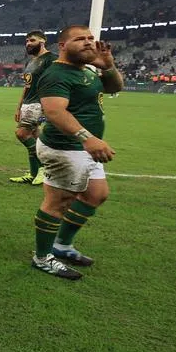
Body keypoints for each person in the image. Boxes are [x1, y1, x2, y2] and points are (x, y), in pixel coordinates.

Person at [30, 25, 123, 280]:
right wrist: (88, 138)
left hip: (84, 147)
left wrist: (108, 65)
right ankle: (42, 257)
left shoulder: (88, 69)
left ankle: (62, 245)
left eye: (91, 38)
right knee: (58, 202)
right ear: (62, 45)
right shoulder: (56, 74)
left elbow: (114, 88)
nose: (88, 43)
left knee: (96, 194)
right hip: (64, 147)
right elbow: (54, 112)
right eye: (79, 39)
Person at [9, 31, 54, 185]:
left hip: (39, 103)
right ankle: (33, 173)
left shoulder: (51, 59)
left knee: (21, 133)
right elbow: (26, 87)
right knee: (34, 137)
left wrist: (46, 105)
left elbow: (54, 82)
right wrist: (19, 107)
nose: (28, 43)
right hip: (28, 103)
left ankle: (44, 169)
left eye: (32, 40)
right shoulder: (31, 62)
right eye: (27, 41)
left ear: (42, 42)